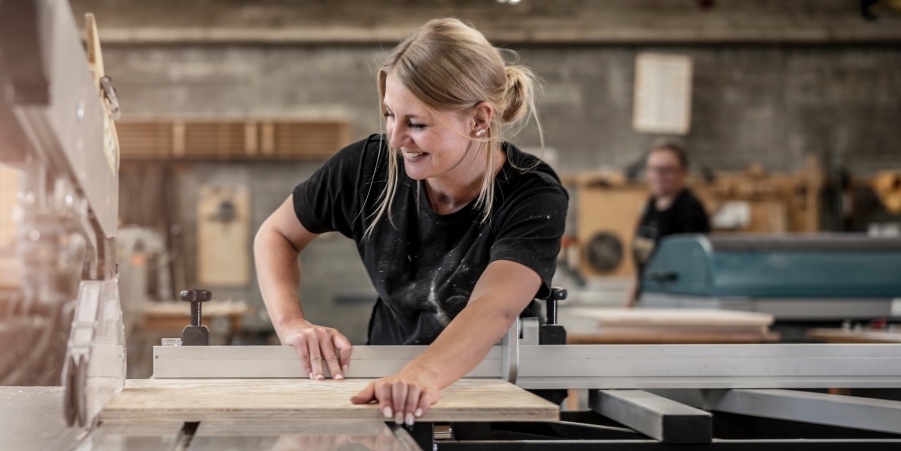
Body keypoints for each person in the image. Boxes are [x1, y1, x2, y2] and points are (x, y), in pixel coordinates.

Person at [253, 18, 568, 426]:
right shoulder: (366, 169)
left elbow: (493, 308)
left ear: (479, 119)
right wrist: (291, 324)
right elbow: (276, 234)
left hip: (499, 393)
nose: (396, 139)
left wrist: (421, 374)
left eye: (416, 124)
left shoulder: (533, 194)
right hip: (393, 381)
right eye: (389, 116)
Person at [625, 141, 710, 308]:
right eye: (653, 169)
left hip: (676, 301)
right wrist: (628, 305)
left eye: (667, 170)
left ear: (683, 172)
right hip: (649, 297)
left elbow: (690, 268)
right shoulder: (652, 204)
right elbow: (642, 262)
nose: (659, 175)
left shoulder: (690, 210)